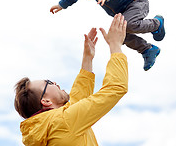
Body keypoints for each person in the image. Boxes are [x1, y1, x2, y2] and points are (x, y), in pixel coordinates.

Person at [14, 13, 128, 146]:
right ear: (46, 101)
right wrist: (115, 46)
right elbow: (115, 88)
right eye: (48, 83)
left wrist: (87, 59)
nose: (55, 83)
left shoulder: (46, 128)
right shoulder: (63, 121)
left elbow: (75, 102)